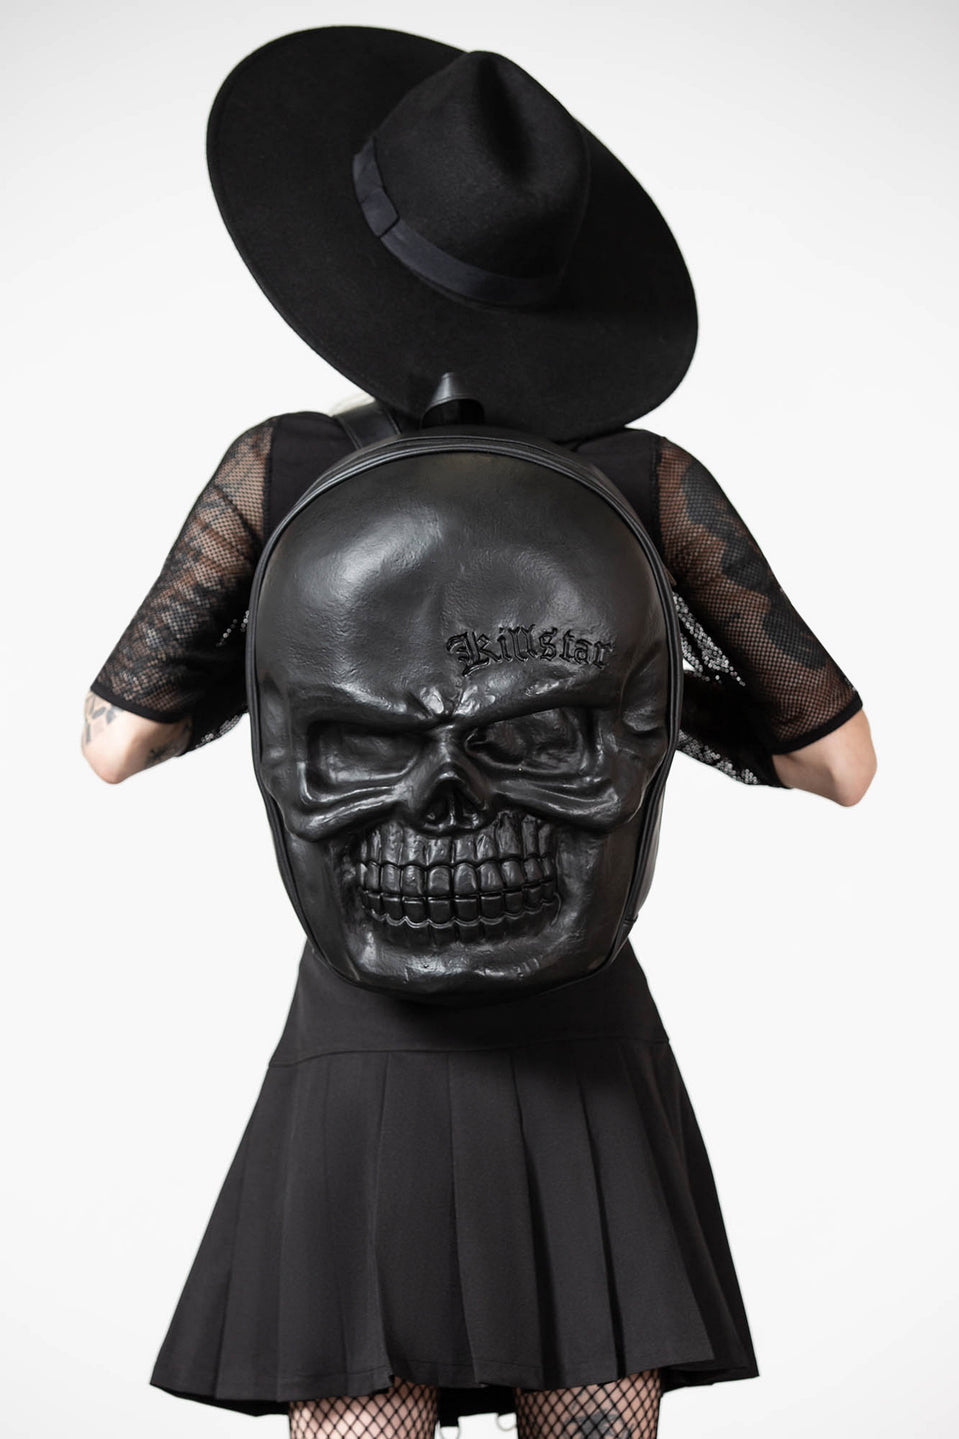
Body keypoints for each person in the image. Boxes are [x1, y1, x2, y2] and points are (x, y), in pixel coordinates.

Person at [81, 27, 876, 1439]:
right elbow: (842, 764)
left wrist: (292, 669)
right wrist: (625, 694)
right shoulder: (644, 479)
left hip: (360, 1049)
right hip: (582, 1044)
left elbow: (115, 743)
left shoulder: (284, 468)